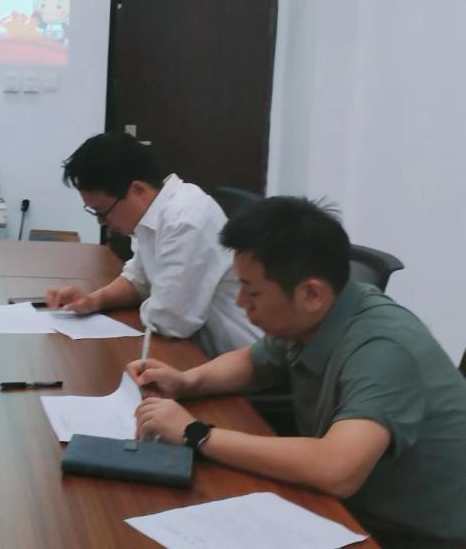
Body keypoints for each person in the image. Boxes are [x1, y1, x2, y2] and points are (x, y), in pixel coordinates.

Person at [128, 197, 466, 549]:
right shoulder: (319, 313)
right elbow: (254, 361)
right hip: (355, 511)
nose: (241, 301)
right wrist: (188, 381)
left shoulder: (385, 349)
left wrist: (196, 433)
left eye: (252, 291)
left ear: (311, 294)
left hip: (417, 536)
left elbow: (338, 470)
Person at [45, 132, 259, 357]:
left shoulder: (184, 221)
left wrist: (154, 303)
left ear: (137, 190)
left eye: (103, 211)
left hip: (242, 361)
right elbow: (139, 280)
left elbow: (171, 321)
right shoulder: (152, 217)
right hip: (200, 351)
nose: (101, 222)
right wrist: (93, 300)